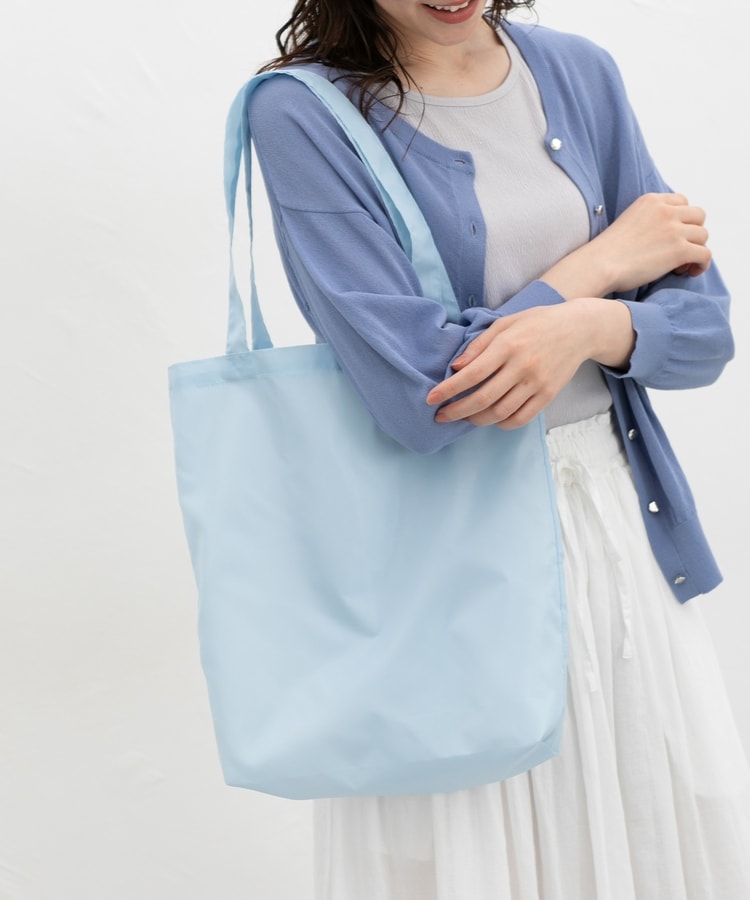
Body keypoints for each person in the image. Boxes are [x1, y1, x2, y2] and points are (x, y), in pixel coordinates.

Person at [247, 1, 750, 897]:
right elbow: (423, 397)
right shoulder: (302, 113)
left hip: (619, 539)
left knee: (642, 840)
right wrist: (598, 270)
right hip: (444, 566)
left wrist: (590, 327)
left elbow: (704, 332)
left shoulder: (578, 72)